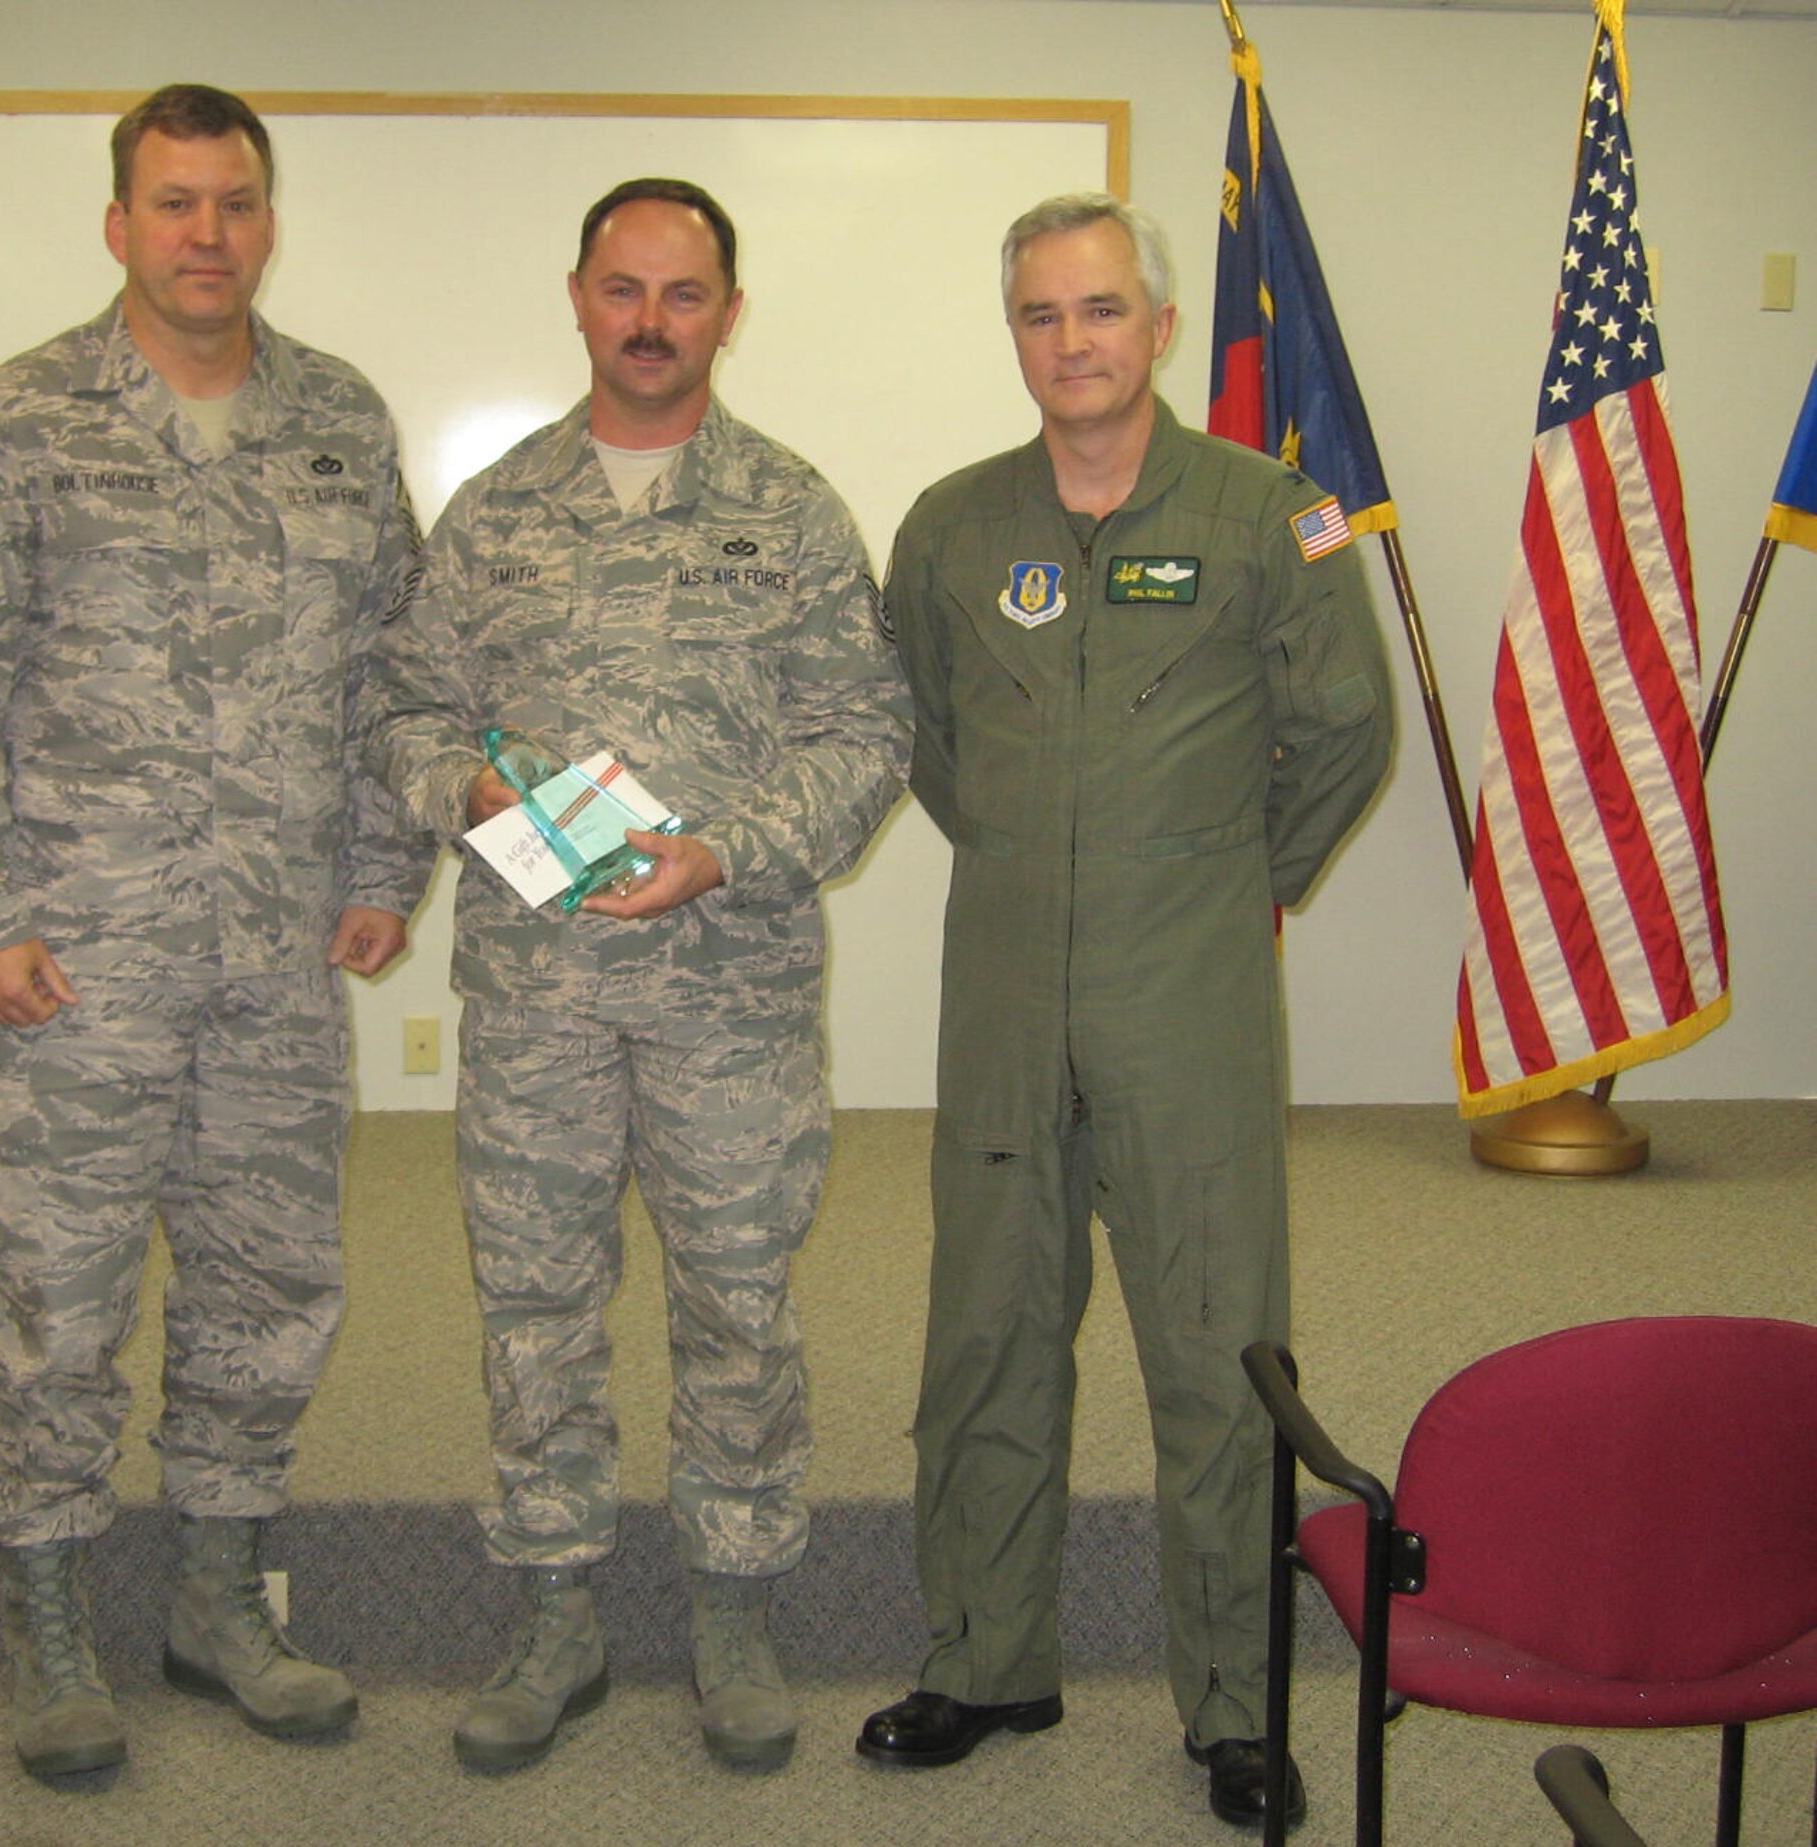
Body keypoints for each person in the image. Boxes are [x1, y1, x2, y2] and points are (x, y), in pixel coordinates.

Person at [0, 83, 432, 1779]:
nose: (210, 234)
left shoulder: (340, 420)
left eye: (238, 202)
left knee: (269, 1293)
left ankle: (215, 1600)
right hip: (71, 970)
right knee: (59, 1299)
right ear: (120, 225)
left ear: (270, 221)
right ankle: (48, 1623)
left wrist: (382, 869)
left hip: (272, 968)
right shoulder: (28, 418)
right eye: (177, 203)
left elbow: (394, 673)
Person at [856, 194, 1391, 1831]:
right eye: (1039, 315)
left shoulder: (1271, 516)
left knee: (1218, 1350)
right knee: (988, 1332)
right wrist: (1042, 867)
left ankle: (1234, 1706)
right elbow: (926, 741)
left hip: (1189, 997)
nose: (1070, 343)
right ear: (1012, 331)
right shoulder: (952, 524)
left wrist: (1226, 888)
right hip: (1005, 986)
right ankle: (986, 1657)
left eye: (1099, 311)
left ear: (1159, 327)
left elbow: (1348, 738)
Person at [369, 177, 910, 1773]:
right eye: (624, 289)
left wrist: (730, 846)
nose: (652, 320)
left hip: (729, 992)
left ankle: (733, 1602)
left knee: (737, 1301)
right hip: (537, 997)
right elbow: (399, 709)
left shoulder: (791, 511)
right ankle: (555, 1603)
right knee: (535, 1303)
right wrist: (462, 788)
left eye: (685, 293)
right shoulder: (497, 514)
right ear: (579, 297)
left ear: (728, 313)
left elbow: (869, 735)